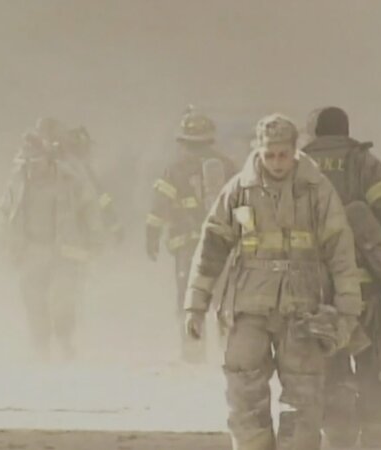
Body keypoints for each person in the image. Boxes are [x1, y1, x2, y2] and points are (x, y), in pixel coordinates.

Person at [184, 113, 367, 450]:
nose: (276, 162)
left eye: (283, 154)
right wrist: (195, 304)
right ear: (260, 151)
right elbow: (211, 248)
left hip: (302, 307)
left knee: (303, 395)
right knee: (243, 388)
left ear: (294, 151)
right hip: (248, 305)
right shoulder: (239, 189)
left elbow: (341, 252)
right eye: (270, 154)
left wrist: (347, 309)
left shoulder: (317, 190)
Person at [302, 106, 381, 448]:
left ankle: (337, 427)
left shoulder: (297, 166)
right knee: (374, 353)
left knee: (327, 351)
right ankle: (377, 427)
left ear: (314, 132)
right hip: (364, 282)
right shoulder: (364, 163)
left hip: (313, 286)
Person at [0, 130, 105, 361]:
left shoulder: (70, 180)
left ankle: (65, 339)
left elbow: (89, 207)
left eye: (36, 161)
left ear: (49, 159)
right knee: (34, 304)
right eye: (27, 161)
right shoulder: (17, 181)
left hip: (65, 251)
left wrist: (96, 238)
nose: (32, 167)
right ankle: (41, 348)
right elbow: (5, 211)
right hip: (30, 251)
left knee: (62, 302)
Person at [145, 106, 236, 363]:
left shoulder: (174, 169)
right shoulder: (228, 166)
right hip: (224, 245)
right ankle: (230, 352)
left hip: (188, 246)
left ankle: (193, 354)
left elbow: (159, 206)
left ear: (182, 141)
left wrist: (151, 236)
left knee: (190, 299)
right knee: (224, 300)